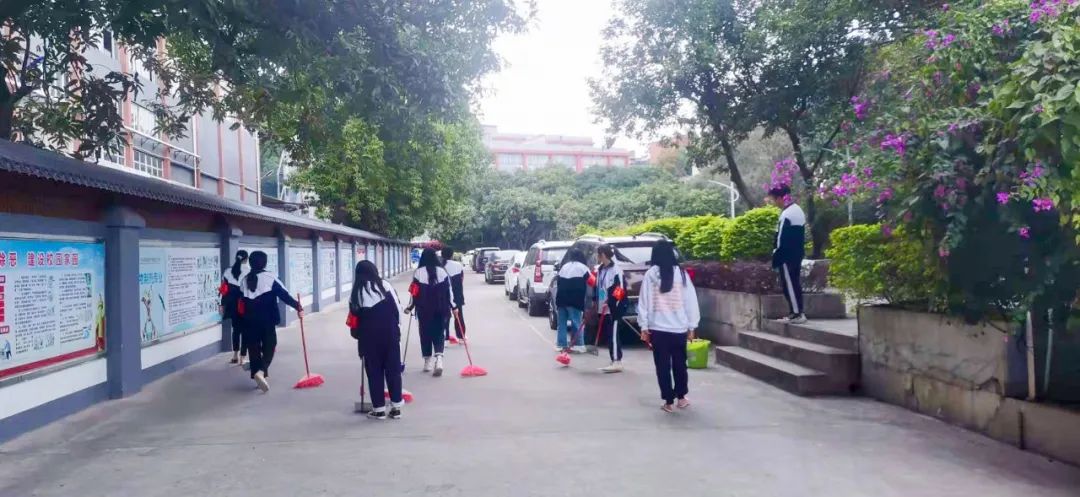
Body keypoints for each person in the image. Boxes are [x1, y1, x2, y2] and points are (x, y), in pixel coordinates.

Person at [638, 240, 700, 413]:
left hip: (658, 329)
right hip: (679, 329)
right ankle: (682, 397)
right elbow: (690, 301)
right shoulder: (682, 274)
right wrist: (692, 326)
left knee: (662, 367)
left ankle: (668, 402)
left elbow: (644, 302)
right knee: (680, 364)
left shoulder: (651, 274)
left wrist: (644, 326)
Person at [349, 260, 404, 420]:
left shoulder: (356, 293)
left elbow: (354, 320)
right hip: (390, 334)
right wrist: (398, 328)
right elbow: (397, 308)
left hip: (368, 338)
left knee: (374, 372)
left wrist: (357, 336)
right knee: (393, 370)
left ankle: (379, 409)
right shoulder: (385, 286)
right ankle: (396, 407)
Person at [241, 251, 303, 392]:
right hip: (267, 320)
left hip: (249, 320)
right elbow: (284, 295)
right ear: (264, 263)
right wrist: (298, 307)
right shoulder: (270, 277)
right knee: (270, 345)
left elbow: (241, 300)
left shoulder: (244, 280)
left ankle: (258, 375)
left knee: (254, 348)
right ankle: (261, 371)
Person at [404, 248, 454, 377]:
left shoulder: (418, 273)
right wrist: (454, 307)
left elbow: (414, 292)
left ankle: (427, 362)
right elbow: (449, 292)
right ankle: (439, 360)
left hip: (424, 309)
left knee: (425, 333)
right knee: (439, 333)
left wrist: (410, 307)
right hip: (441, 308)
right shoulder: (442, 272)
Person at [768, 185, 807, 324]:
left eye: (773, 199)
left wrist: (777, 255)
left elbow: (781, 238)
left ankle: (797, 314)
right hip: (796, 254)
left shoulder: (787, 214)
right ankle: (794, 313)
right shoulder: (796, 210)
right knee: (793, 283)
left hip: (787, 256)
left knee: (789, 285)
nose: (774, 203)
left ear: (780, 198)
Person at [595, 244, 628, 373]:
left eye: (598, 254)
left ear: (603, 255)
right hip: (603, 308)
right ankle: (613, 359)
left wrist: (612, 302)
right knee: (609, 335)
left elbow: (621, 289)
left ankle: (617, 361)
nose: (597, 257)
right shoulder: (600, 270)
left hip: (614, 308)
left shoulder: (616, 270)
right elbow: (599, 288)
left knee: (613, 335)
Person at [554, 248, 590, 353]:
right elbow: (591, 283)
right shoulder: (583, 268)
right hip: (575, 300)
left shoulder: (564, 267)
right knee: (576, 322)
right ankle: (578, 345)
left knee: (561, 323)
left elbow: (558, 282)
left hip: (561, 299)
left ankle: (561, 344)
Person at [220, 250, 249, 365]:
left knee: (236, 330)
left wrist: (222, 304)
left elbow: (224, 289)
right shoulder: (249, 271)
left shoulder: (227, 271)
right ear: (246, 259)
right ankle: (242, 357)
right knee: (245, 330)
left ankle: (235, 355)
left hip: (232, 305)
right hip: (245, 304)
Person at [441, 247, 466, 342]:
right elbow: (461, 279)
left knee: (445, 316)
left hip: (444, 294)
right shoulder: (458, 265)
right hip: (457, 293)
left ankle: (445, 337)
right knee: (459, 315)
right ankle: (461, 336)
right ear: (452, 255)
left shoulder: (440, 266)